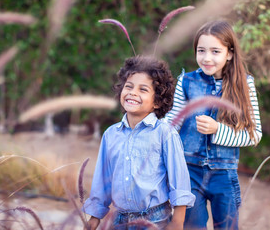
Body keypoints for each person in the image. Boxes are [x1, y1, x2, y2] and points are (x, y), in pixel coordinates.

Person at [165, 20, 262, 230]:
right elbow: (173, 121)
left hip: (224, 174)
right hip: (188, 172)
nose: (207, 58)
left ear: (229, 53)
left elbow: (254, 134)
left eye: (215, 51)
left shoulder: (245, 84)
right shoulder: (187, 81)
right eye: (201, 50)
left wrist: (218, 129)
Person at [82, 55, 195, 230]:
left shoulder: (164, 133)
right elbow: (102, 180)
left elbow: (179, 181)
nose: (133, 92)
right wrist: (95, 217)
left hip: (155, 219)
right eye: (129, 86)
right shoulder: (111, 134)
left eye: (143, 89)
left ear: (157, 101)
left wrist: (178, 222)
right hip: (119, 219)